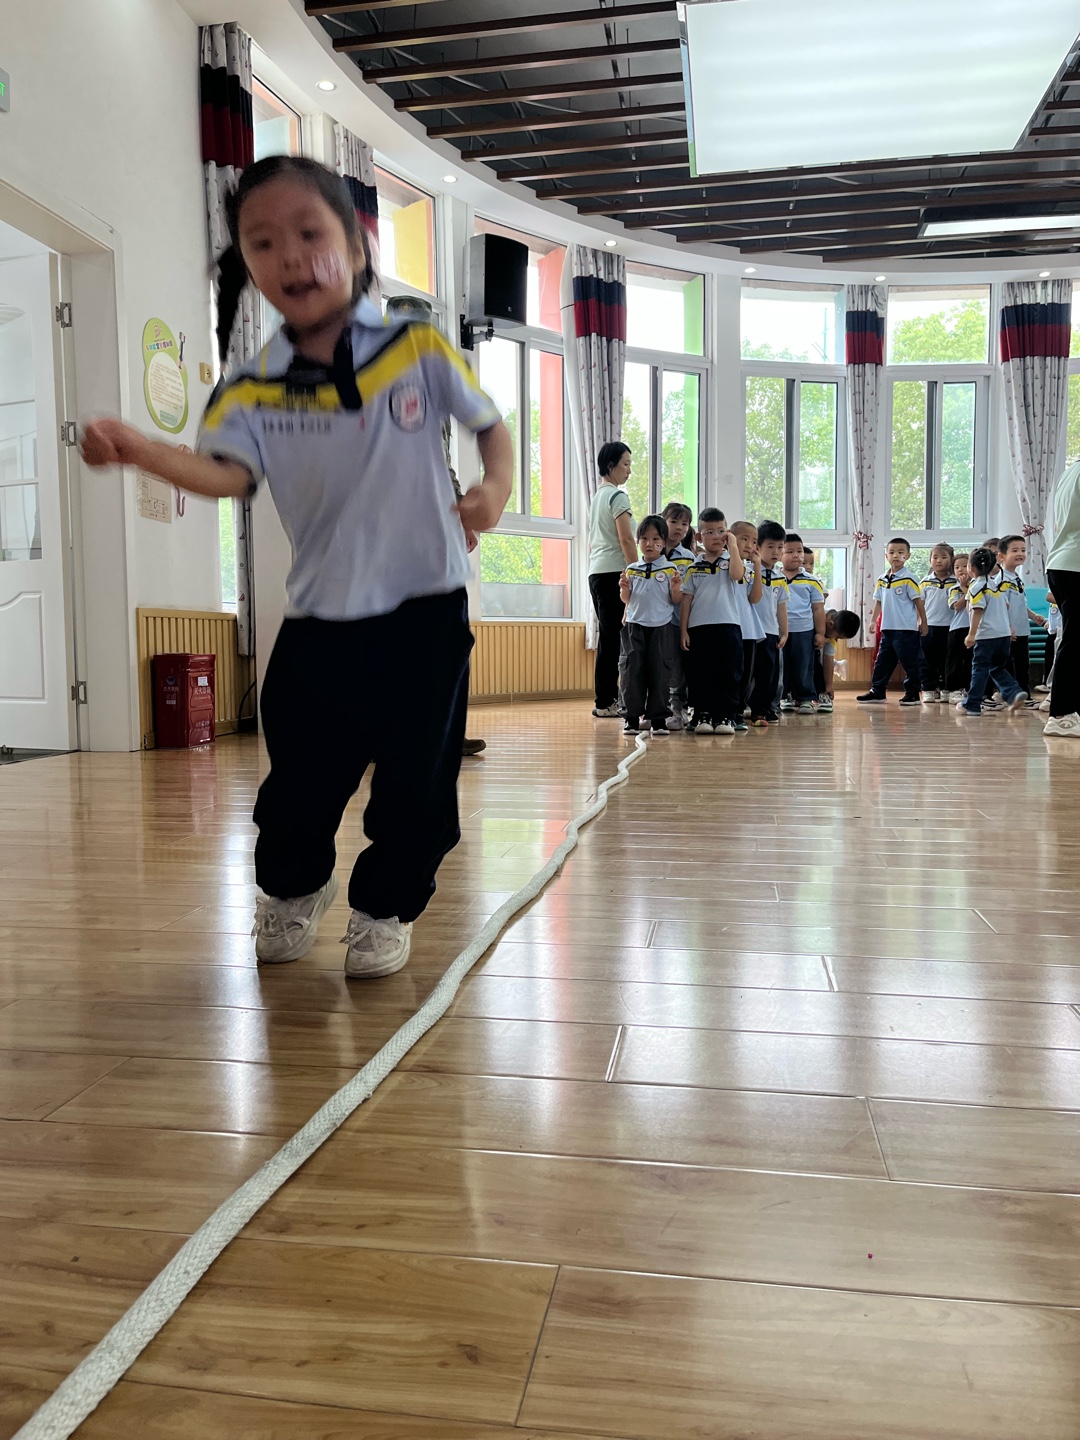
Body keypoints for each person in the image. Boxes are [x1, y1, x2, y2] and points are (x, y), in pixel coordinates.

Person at [80, 155, 513, 978]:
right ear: (246, 264)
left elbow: (490, 426)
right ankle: (293, 888)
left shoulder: (417, 347)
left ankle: (384, 908)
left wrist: (493, 488)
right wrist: (141, 449)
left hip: (426, 609)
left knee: (418, 785)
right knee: (300, 782)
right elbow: (227, 477)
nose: (291, 257)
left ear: (355, 246)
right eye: (263, 243)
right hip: (321, 616)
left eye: (310, 234)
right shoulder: (251, 386)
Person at [680, 509, 745, 735]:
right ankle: (703, 714)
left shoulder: (732, 561)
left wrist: (733, 547)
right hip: (699, 628)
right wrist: (683, 631)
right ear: (699, 537)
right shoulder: (693, 567)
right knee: (700, 673)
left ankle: (726, 716)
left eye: (721, 531)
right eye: (709, 532)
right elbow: (686, 600)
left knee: (728, 673)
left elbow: (737, 575)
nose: (716, 536)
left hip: (728, 625)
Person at [619, 515, 682, 737]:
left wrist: (676, 588)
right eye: (644, 538)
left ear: (663, 542)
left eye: (656, 539)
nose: (649, 543)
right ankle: (631, 719)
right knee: (631, 672)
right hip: (634, 626)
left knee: (660, 673)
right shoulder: (632, 569)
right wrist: (624, 588)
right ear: (638, 541)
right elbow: (627, 600)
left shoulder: (670, 569)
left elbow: (675, 600)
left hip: (661, 627)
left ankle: (658, 720)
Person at [588, 442, 637, 718]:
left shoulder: (598, 497)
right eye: (625, 464)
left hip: (596, 572)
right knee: (613, 639)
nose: (629, 470)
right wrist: (638, 571)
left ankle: (606, 698)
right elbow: (626, 538)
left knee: (608, 638)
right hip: (614, 574)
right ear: (611, 466)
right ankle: (606, 701)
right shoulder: (617, 497)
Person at [858, 538, 927, 706]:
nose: (896, 555)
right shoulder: (882, 579)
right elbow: (878, 602)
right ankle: (877, 691)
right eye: (892, 552)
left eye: (900, 552)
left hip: (906, 629)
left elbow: (918, 602)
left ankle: (913, 693)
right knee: (882, 661)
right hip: (887, 629)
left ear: (908, 556)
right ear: (886, 556)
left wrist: (923, 622)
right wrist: (873, 621)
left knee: (909, 662)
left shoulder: (909, 579)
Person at [958, 547, 1027, 716]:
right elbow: (1006, 606)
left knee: (979, 669)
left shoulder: (976, 587)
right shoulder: (996, 585)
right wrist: (1008, 627)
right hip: (1003, 635)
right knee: (996, 668)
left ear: (971, 568)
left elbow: (977, 610)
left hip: (986, 636)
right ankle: (1013, 692)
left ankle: (972, 704)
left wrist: (971, 634)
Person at [1046, 458, 1080, 737]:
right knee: (1075, 640)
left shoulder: (1070, 472)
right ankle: (1062, 714)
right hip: (1075, 564)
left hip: (1062, 563)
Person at [779, 532, 825, 715]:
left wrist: (820, 633)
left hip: (804, 631)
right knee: (782, 665)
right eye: (789, 551)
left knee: (803, 665)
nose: (796, 555)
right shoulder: (774, 577)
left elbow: (818, 609)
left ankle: (806, 698)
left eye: (799, 551)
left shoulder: (812, 581)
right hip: (779, 630)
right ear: (780, 554)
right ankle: (785, 696)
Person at [997, 535, 1046, 705]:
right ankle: (1013, 696)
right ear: (1001, 556)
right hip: (1008, 632)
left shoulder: (1017, 578)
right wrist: (1008, 627)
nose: (1020, 553)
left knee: (1023, 665)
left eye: (1023, 550)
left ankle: (1023, 695)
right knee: (1011, 665)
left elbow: (1020, 603)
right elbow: (1001, 606)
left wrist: (1033, 616)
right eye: (1015, 550)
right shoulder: (1001, 580)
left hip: (1022, 630)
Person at [662, 501, 697, 729]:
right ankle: (656, 707)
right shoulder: (651, 553)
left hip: (677, 620)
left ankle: (678, 708)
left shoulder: (688, 557)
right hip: (654, 620)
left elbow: (690, 594)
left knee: (677, 665)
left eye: (684, 524)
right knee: (658, 663)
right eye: (674, 521)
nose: (679, 527)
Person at [750, 519, 788, 727]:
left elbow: (781, 607)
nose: (776, 552)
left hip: (770, 631)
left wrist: (784, 632)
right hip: (749, 630)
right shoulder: (747, 570)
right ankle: (741, 707)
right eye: (770, 546)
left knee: (768, 674)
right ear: (758, 547)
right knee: (747, 673)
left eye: (780, 547)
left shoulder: (779, 578)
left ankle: (762, 709)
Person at [730, 520, 765, 732]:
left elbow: (755, 598)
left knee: (745, 675)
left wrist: (757, 566)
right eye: (744, 539)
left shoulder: (750, 570)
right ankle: (725, 712)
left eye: (754, 541)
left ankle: (738, 713)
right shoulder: (725, 564)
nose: (749, 545)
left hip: (748, 629)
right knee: (728, 673)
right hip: (728, 627)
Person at [819, 609, 862, 711]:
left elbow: (828, 659)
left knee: (820, 662)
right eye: (837, 636)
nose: (836, 639)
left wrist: (829, 686)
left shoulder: (832, 637)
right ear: (830, 624)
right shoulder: (817, 617)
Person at [945, 552, 973, 703]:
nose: (961, 569)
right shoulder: (953, 589)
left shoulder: (979, 586)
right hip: (957, 629)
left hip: (974, 628)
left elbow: (977, 603)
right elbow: (956, 606)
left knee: (971, 660)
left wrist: (967, 589)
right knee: (955, 660)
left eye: (964, 566)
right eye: (957, 567)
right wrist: (963, 589)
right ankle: (953, 690)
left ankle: (968, 688)